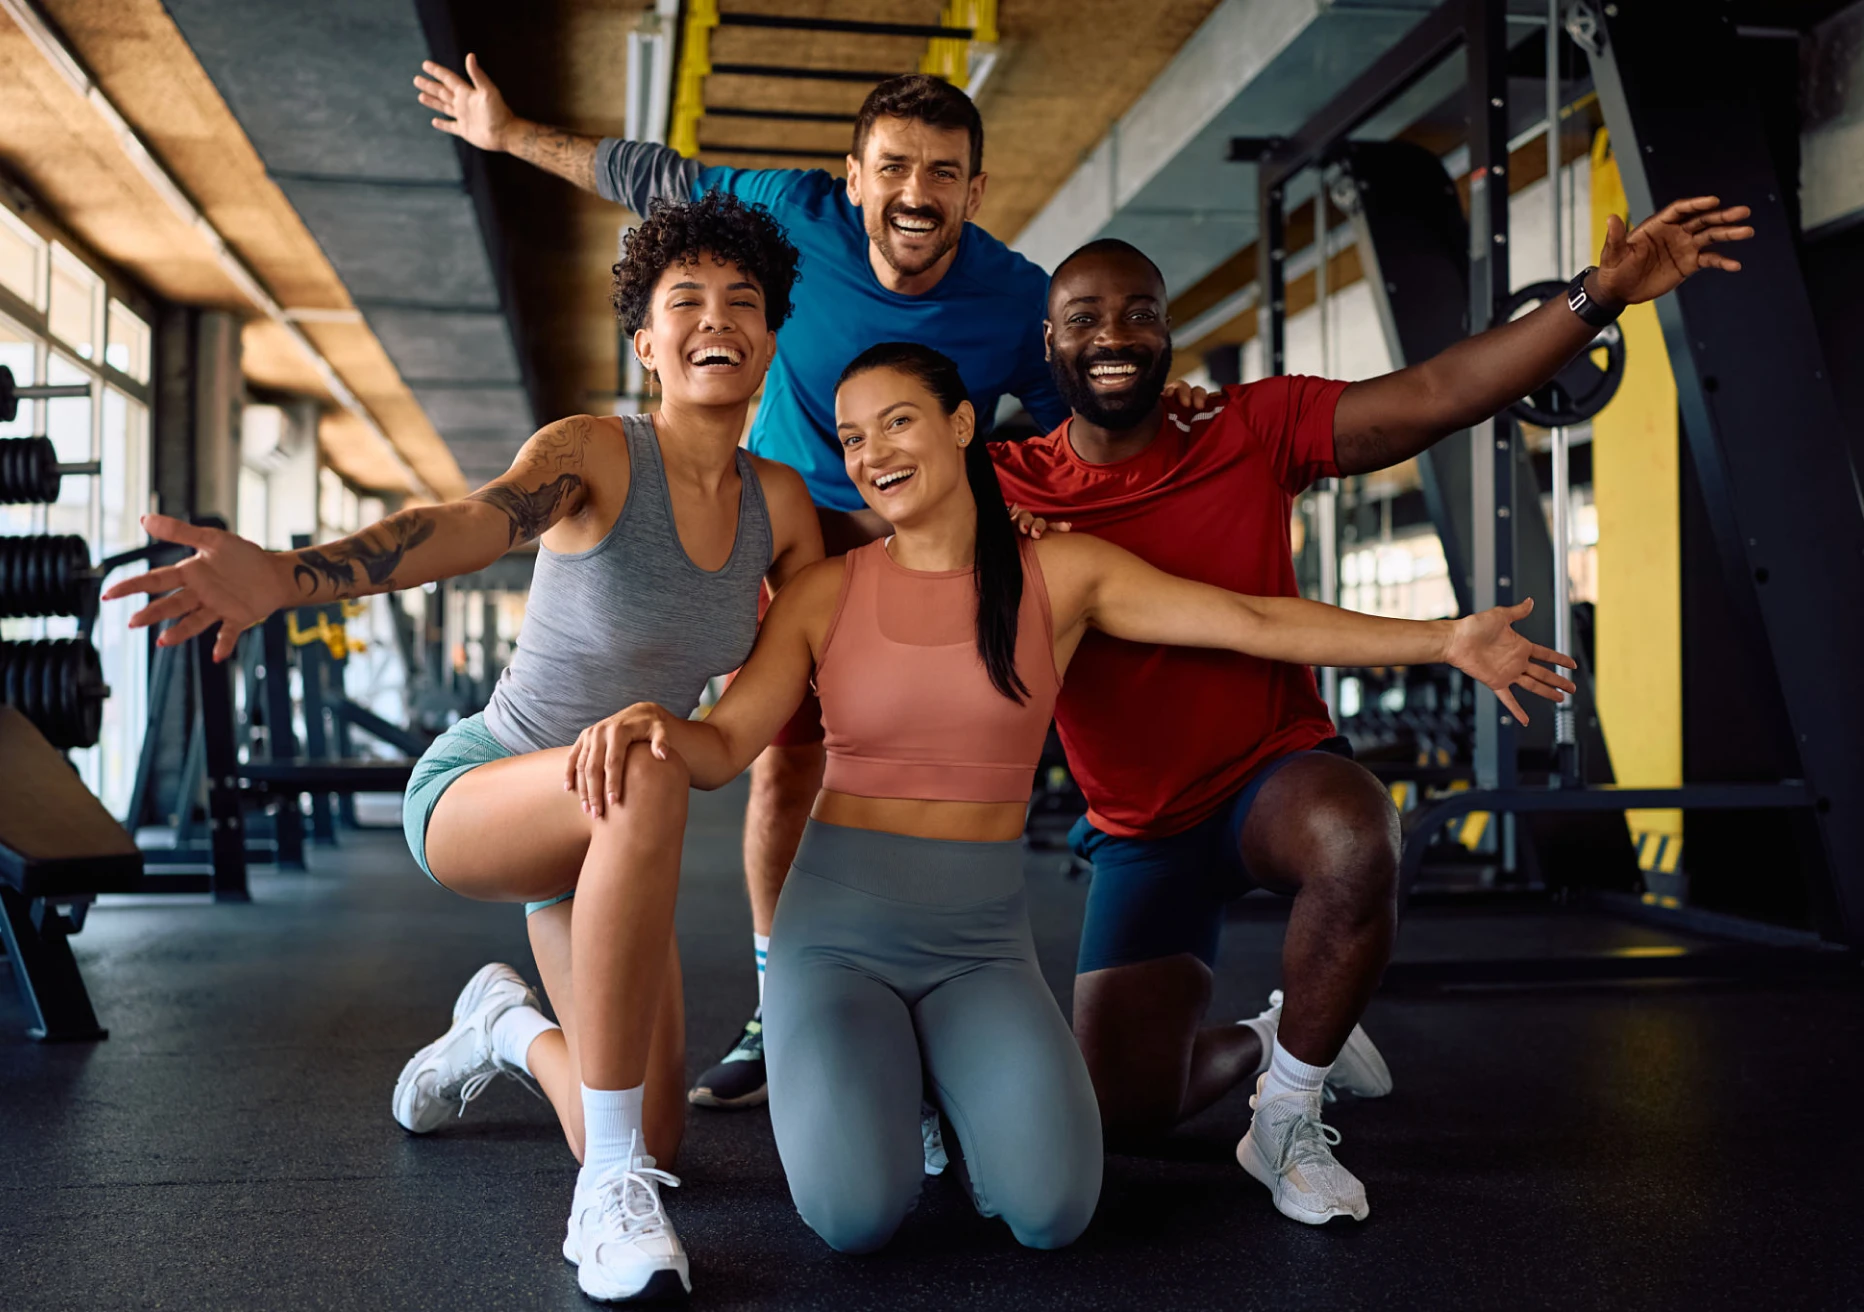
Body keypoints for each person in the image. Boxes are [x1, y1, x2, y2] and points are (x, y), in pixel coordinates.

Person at [563, 342, 1574, 1255]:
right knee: (854, 1218)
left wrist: (1443, 638)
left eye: (898, 421)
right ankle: (880, 1074)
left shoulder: (1065, 575)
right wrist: (657, 723)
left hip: (978, 947)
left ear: (962, 425)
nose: (872, 451)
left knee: (1053, 1212)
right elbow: (727, 745)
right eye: (853, 435)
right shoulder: (824, 593)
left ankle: (943, 1081)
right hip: (835, 939)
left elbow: (1251, 620)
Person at [411, 58, 1208, 1110]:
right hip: (786, 543)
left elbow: (1073, 402)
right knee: (785, 769)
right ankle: (772, 1000)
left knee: (914, 757)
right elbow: (647, 174)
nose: (914, 192)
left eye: (941, 172)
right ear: (852, 175)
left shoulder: (1016, 295)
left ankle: (913, 990)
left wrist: (1165, 400)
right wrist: (505, 130)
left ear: (973, 189)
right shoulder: (791, 210)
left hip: (912, 551)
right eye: (892, 167)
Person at [102, 192, 825, 1303]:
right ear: (646, 342)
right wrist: (293, 576)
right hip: (488, 789)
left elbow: (777, 686)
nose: (714, 317)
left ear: (772, 334)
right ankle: (605, 1201)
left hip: (616, 823)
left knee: (639, 1112)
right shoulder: (593, 452)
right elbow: (469, 522)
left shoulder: (780, 506)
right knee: (641, 769)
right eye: (686, 299)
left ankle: (500, 1027)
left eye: (742, 300)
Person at [989, 198, 1754, 1225]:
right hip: (1139, 827)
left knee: (1355, 831)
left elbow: (1436, 393)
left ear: (1167, 334)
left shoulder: (1245, 426)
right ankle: (1283, 1034)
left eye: (1137, 313)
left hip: (1268, 775)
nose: (1113, 334)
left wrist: (1596, 297)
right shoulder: (1010, 487)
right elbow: (865, 498)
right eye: (1084, 317)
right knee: (1121, 1111)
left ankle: (1287, 1115)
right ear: (1050, 341)